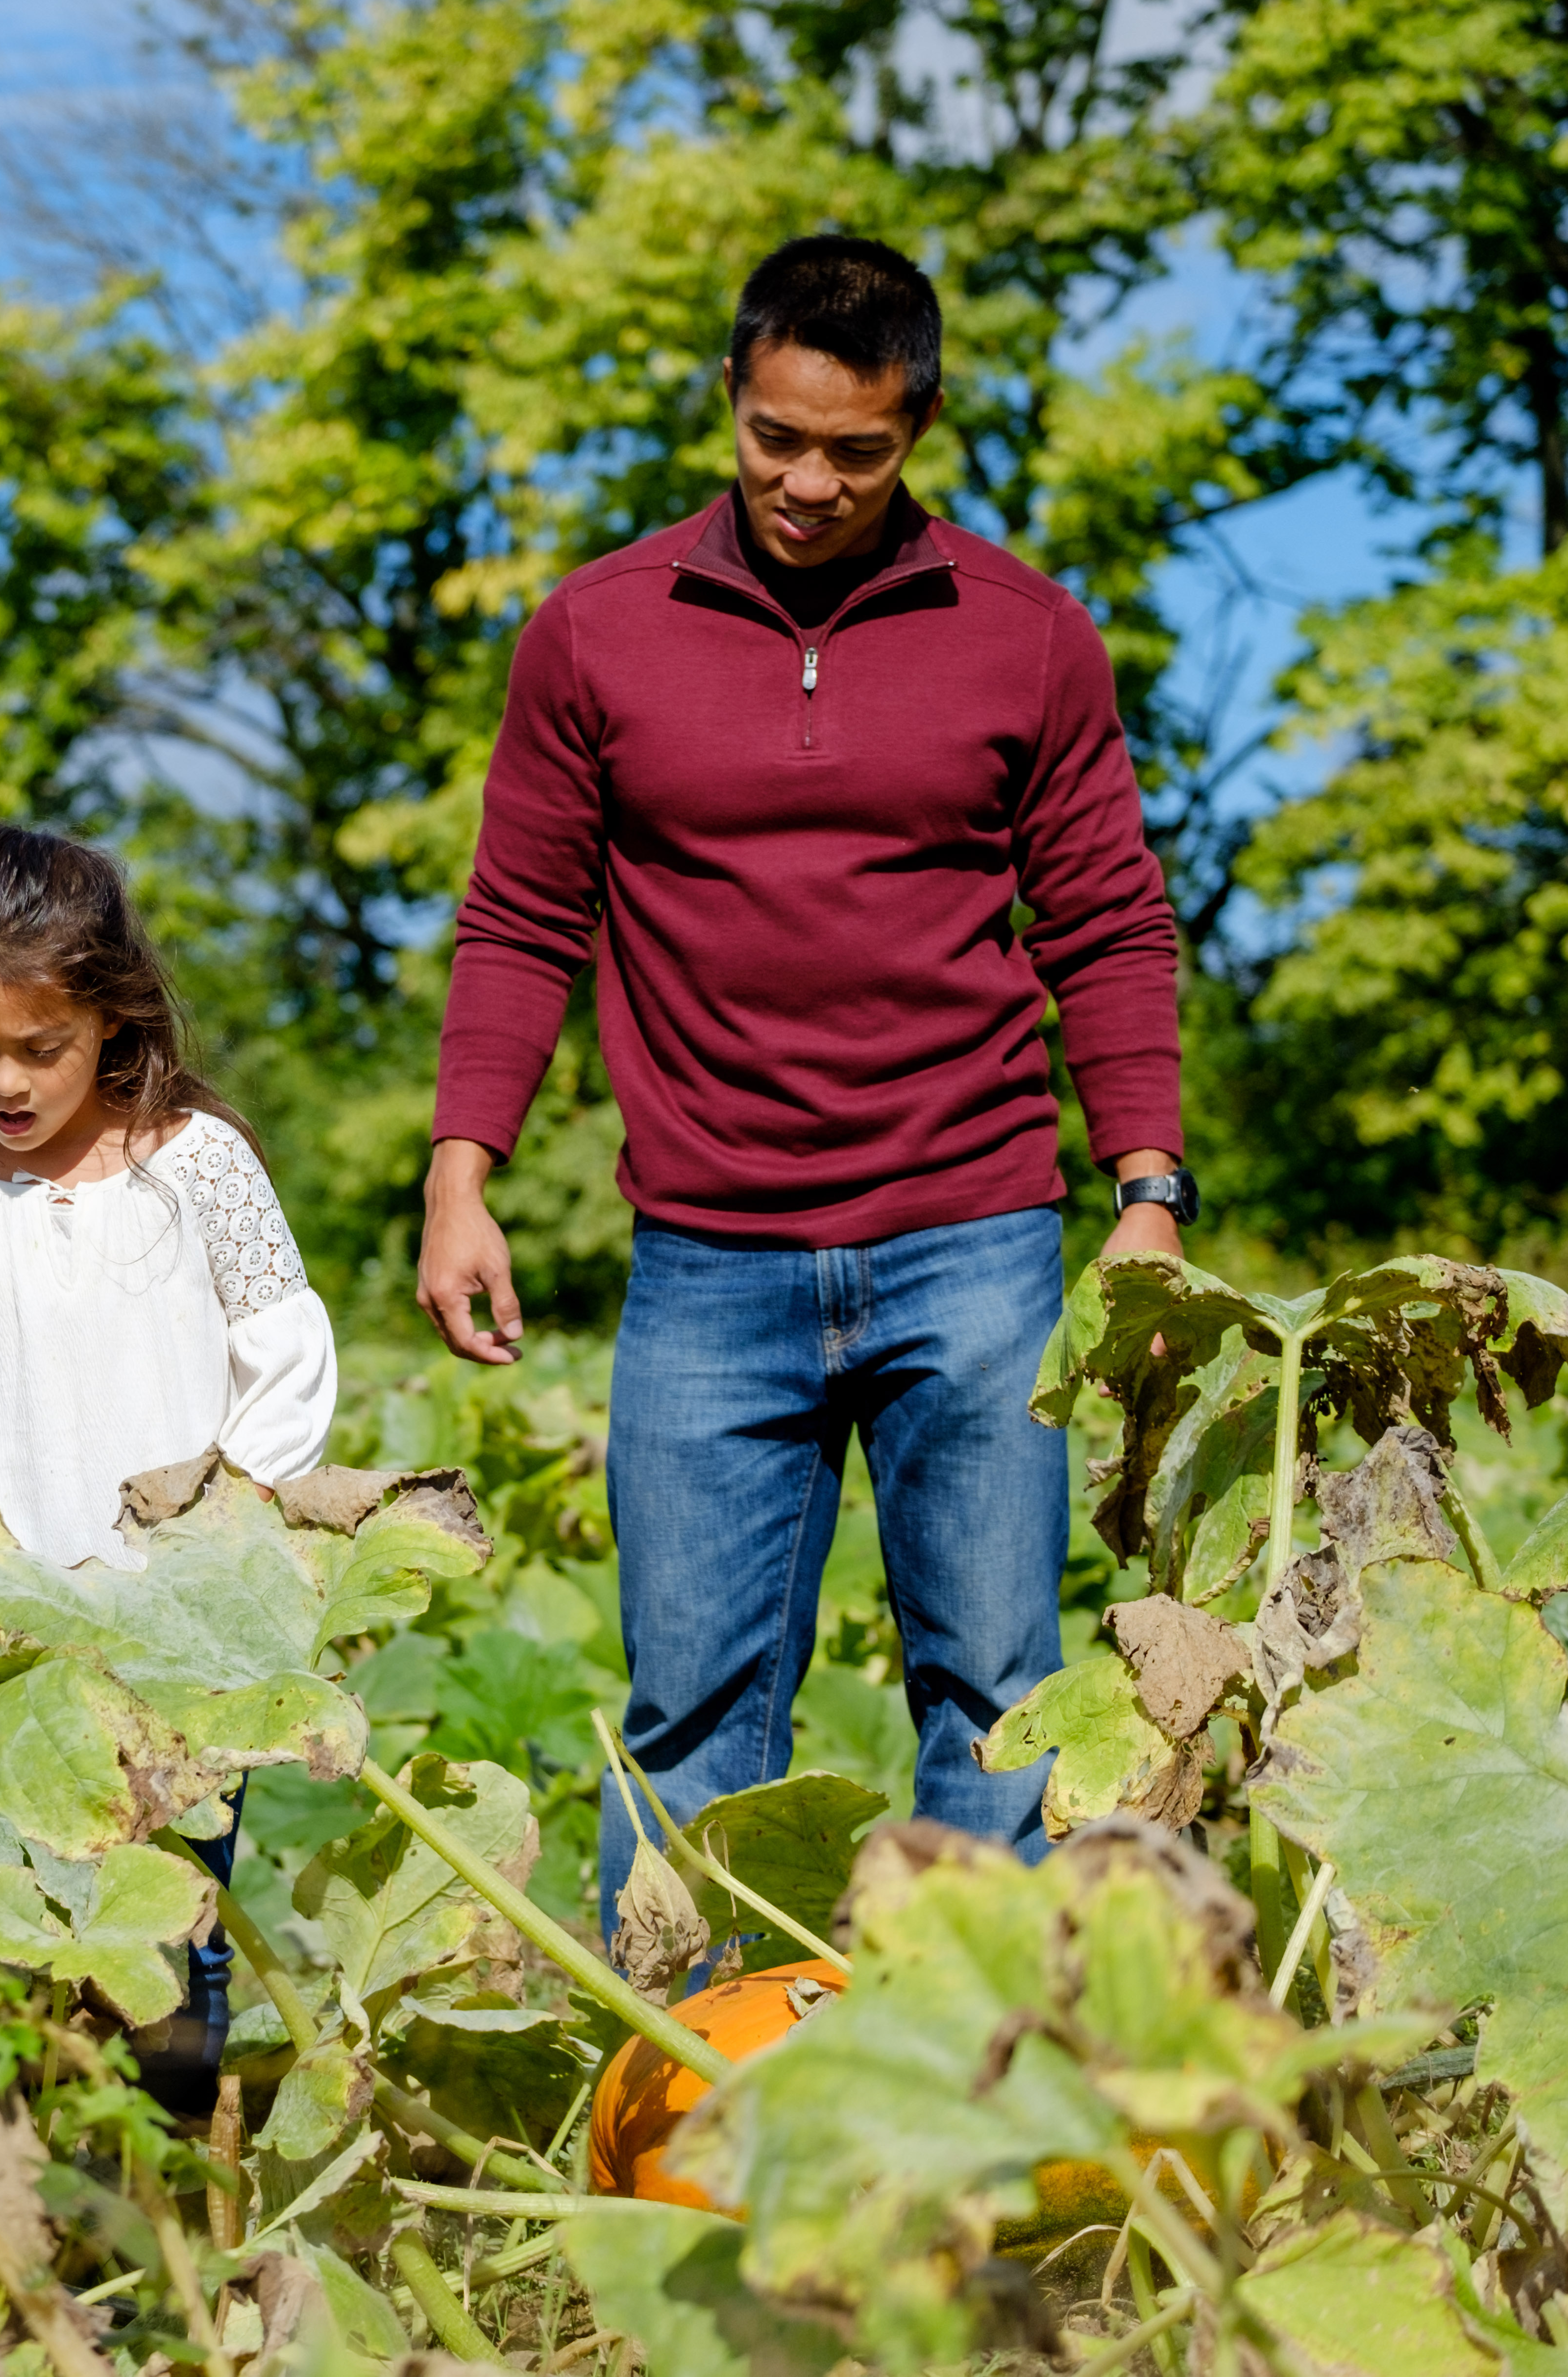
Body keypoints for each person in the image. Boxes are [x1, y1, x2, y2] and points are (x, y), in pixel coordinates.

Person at [417, 234, 1189, 1929]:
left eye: (859, 450)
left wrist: (1148, 1193)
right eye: (779, 437)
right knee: (692, 1721)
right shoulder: (595, 635)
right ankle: (686, 2108)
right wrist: (461, 1169)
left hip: (973, 1242)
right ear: (731, 397)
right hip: (707, 1262)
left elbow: (1111, 927)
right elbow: (523, 916)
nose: (810, 483)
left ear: (919, 426)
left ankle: (990, 2121)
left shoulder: (1029, 638)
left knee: (995, 1709)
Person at [0, 821, 340, 2113]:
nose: (4, 1080)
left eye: (39, 1048)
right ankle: (23, 2190)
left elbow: (286, 1358)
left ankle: (170, 2175)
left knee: (164, 1921)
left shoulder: (190, 1165)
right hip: (9, 1636)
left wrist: (215, 1542)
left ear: (112, 1018)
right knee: (1, 1919)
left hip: (174, 1631)